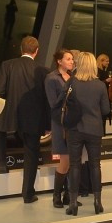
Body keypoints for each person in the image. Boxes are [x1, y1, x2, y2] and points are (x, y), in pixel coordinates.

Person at [0, 35, 48, 204]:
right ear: (36, 51)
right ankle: (28, 194)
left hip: (11, 113)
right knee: (31, 153)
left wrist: (12, 97)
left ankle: (1, 162)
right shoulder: (43, 70)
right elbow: (45, 97)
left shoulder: (8, 65)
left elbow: (0, 90)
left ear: (21, 49)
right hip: (33, 118)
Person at [62, 52, 111, 215]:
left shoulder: (72, 82)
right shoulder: (100, 85)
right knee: (95, 165)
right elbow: (105, 110)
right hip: (94, 129)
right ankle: (97, 202)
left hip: (75, 129)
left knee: (75, 165)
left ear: (79, 64)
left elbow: (62, 102)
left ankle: (73, 203)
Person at [45, 49, 77, 209]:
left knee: (72, 160)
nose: (71, 61)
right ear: (59, 61)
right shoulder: (51, 78)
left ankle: (67, 195)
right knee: (65, 160)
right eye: (68, 59)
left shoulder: (72, 77)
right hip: (60, 123)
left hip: (73, 123)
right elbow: (53, 104)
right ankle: (56, 195)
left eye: (72, 59)